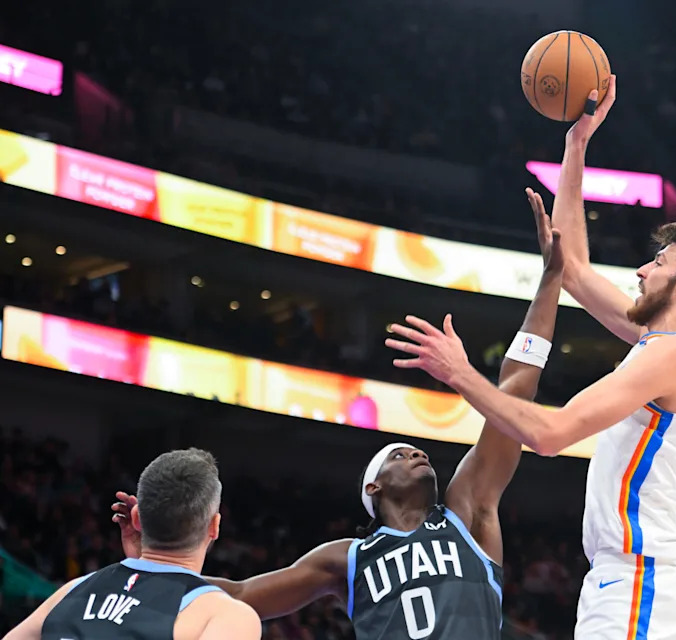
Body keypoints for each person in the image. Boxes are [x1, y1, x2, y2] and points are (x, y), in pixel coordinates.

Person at [384, 75, 676, 640]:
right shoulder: (660, 345)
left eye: (658, 262)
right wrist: (576, 145)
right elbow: (574, 270)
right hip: (623, 582)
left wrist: (460, 373)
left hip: (640, 579)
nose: (640, 270)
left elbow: (551, 434)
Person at [111, 190, 566, 639]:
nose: (417, 455)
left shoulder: (468, 511)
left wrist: (550, 279)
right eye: (400, 454)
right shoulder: (346, 559)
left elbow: (517, 391)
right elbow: (244, 593)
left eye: (415, 451)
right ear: (374, 487)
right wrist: (148, 565)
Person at [4, 449, 261, 640]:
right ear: (214, 527)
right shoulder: (224, 616)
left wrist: (143, 569)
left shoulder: (71, 591)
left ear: (137, 518)